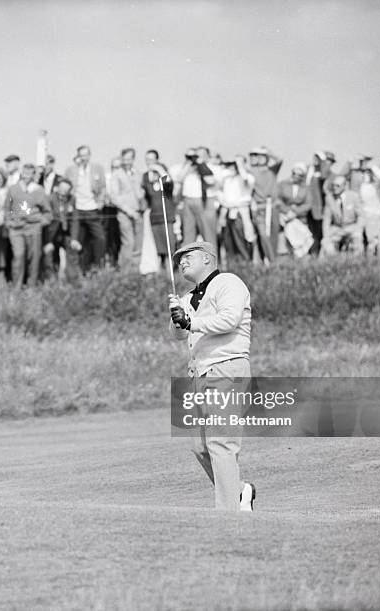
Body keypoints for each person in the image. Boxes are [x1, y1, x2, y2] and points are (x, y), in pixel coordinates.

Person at [168, 241, 255, 511]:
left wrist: (191, 322)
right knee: (199, 446)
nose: (181, 262)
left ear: (207, 259)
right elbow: (179, 334)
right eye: (179, 258)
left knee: (221, 443)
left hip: (226, 368)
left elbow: (229, 319)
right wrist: (177, 318)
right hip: (198, 373)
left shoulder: (229, 282)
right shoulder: (187, 296)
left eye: (188, 256)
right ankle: (239, 491)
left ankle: (226, 514)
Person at [4, 162, 52, 288]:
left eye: (30, 173)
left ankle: (31, 286)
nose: (26, 175)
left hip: (33, 228)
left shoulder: (39, 190)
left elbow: (48, 213)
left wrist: (41, 222)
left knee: (34, 258)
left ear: (34, 175)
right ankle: (16, 287)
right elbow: (7, 208)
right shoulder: (13, 189)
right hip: (16, 229)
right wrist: (9, 221)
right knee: (18, 256)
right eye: (24, 172)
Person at [64, 146, 106, 272]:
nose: (83, 158)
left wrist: (100, 201)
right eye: (81, 155)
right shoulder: (71, 170)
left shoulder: (97, 168)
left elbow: (103, 187)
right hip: (77, 208)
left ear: (89, 155)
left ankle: (99, 266)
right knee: (76, 240)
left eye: (85, 155)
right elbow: (65, 186)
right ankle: (80, 270)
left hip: (92, 207)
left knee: (100, 238)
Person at [341, 155, 380, 256]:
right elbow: (342, 176)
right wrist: (349, 162)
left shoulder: (378, 184)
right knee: (370, 241)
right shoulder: (359, 182)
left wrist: (372, 166)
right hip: (367, 215)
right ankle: (370, 259)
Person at [171, 147, 217, 253]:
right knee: (188, 235)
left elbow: (210, 181)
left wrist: (201, 164)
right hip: (188, 201)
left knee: (208, 235)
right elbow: (179, 178)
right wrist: (188, 163)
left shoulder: (211, 167)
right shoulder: (189, 168)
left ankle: (212, 264)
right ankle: (189, 264)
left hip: (204, 201)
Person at [215, 157, 256, 261]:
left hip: (240, 212)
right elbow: (219, 190)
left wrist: (240, 165)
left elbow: (246, 181)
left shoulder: (248, 177)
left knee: (242, 237)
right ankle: (233, 261)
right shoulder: (227, 178)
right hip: (227, 211)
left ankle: (246, 259)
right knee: (227, 238)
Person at [141, 151, 176, 272]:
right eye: (147, 159)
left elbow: (169, 183)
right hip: (154, 216)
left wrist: (159, 169)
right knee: (158, 247)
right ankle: (160, 271)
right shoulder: (146, 176)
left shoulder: (164, 174)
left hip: (166, 215)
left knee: (169, 245)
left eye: (152, 159)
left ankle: (170, 270)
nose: (149, 162)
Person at [111, 147, 144, 269]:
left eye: (129, 159)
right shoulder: (116, 174)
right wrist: (129, 211)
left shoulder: (138, 174)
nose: (126, 161)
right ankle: (125, 271)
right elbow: (114, 197)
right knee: (128, 242)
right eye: (124, 159)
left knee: (138, 244)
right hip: (124, 213)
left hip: (138, 212)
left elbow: (142, 193)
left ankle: (136, 270)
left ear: (133, 159)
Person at [248, 146, 283, 262]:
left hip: (273, 207)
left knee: (273, 234)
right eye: (258, 156)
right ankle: (269, 260)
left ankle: (272, 259)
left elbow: (280, 159)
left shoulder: (272, 170)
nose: (261, 158)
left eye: (263, 156)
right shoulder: (251, 171)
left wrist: (268, 152)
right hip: (260, 208)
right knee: (263, 234)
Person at [44, 178, 81, 282]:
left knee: (72, 252)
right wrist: (47, 242)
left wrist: (74, 238)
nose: (62, 192)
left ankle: (73, 281)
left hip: (66, 232)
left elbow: (74, 220)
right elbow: (46, 223)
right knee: (50, 255)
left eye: (65, 191)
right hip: (51, 234)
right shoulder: (50, 199)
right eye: (61, 189)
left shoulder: (72, 199)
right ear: (57, 188)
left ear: (69, 192)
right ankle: (51, 281)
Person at [276, 163, 313, 258]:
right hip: (285, 216)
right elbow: (278, 200)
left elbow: (308, 204)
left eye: (299, 175)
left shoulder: (306, 188)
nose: (296, 176)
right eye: (294, 173)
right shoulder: (283, 184)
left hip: (300, 217)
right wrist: (287, 211)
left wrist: (295, 213)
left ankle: (300, 255)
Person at [320, 175, 363, 256]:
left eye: (338, 185)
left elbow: (360, 215)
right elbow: (327, 218)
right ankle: (333, 261)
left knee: (358, 240)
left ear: (345, 186)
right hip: (337, 227)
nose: (335, 188)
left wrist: (359, 228)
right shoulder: (329, 199)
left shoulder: (353, 196)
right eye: (333, 185)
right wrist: (326, 234)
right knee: (325, 243)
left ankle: (357, 262)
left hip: (352, 226)